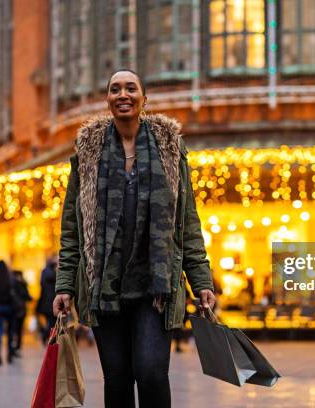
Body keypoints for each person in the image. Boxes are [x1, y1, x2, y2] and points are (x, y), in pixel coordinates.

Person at [53, 69, 215, 408]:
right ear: (108, 99)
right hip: (103, 287)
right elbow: (72, 229)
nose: (122, 94)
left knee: (152, 372)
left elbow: (187, 222)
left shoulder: (169, 149)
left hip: (155, 287)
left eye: (130, 88)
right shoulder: (87, 154)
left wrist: (201, 280)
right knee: (117, 378)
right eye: (115, 89)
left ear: (144, 98)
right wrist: (65, 286)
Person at [36, 257, 57, 345]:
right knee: (52, 323)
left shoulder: (44, 273)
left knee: (49, 322)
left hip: (45, 303)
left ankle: (47, 337)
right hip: (51, 303)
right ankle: (48, 338)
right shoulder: (53, 274)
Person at [12, 270, 32, 354]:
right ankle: (17, 347)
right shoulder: (23, 284)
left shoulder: (13, 284)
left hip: (15, 310)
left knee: (15, 329)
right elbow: (28, 297)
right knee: (19, 329)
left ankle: (15, 346)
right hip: (20, 309)